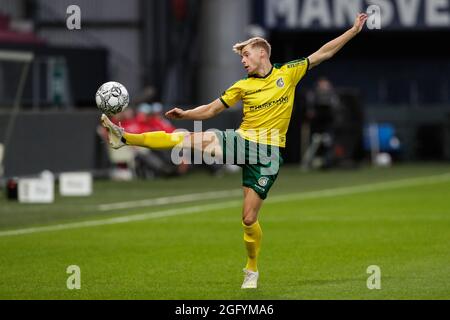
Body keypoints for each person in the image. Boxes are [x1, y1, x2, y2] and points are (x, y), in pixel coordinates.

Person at [100, 13, 368, 289]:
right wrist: (185, 114)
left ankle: (252, 269)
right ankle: (126, 138)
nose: (242, 60)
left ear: (262, 54)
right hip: (242, 141)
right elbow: (212, 109)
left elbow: (324, 53)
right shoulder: (242, 86)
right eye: (241, 56)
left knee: (249, 218)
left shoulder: (288, 74)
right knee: (186, 139)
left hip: (268, 154)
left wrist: (352, 31)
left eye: (246, 55)